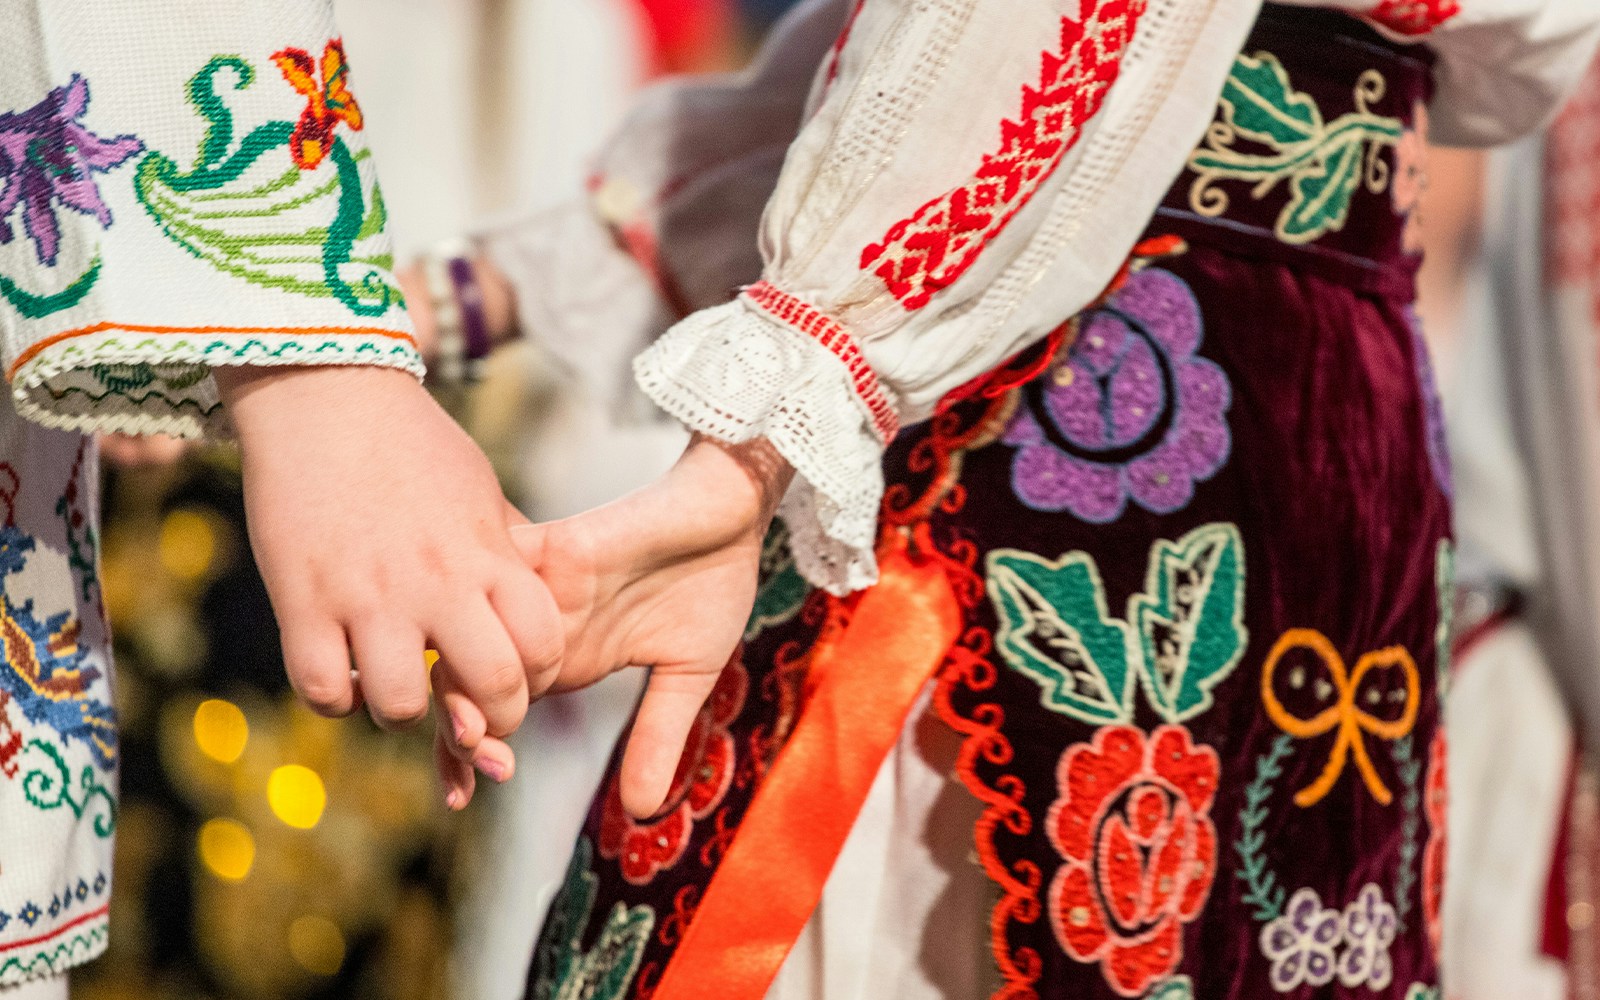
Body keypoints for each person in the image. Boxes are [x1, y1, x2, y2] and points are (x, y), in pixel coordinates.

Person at [425, 1, 1600, 998]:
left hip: (1064, 392)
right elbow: (907, 55)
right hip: (1307, 400)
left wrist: (770, 416)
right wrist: (459, 299)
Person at [0, 4, 559, 996]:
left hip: (364, 478)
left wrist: (334, 357)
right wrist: (308, 362)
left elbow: (588, 162)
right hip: (236, 465)